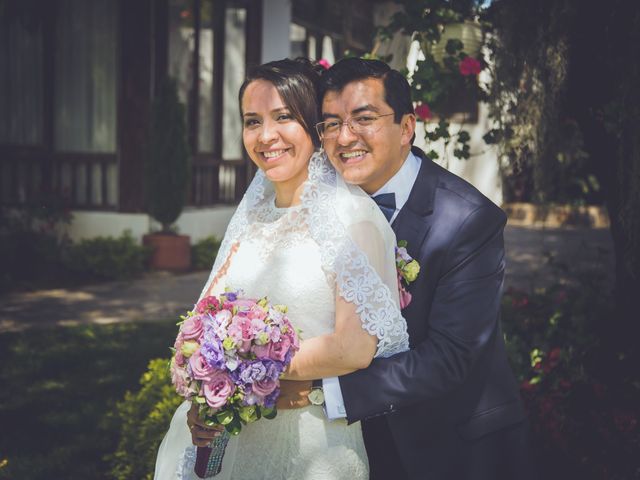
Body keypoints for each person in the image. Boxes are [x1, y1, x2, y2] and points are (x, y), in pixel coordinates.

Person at [154, 58, 409, 479]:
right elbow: (197, 326)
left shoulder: (355, 220)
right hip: (227, 440)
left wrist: (240, 376)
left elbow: (354, 347)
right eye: (252, 121)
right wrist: (203, 392)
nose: (265, 136)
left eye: (283, 117)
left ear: (313, 125)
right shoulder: (250, 219)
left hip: (309, 447)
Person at [280, 57, 533, 480]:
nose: (346, 137)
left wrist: (322, 394)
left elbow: (451, 356)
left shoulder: (468, 221)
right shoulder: (320, 207)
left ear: (407, 127)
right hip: (351, 448)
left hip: (453, 447)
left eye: (364, 119)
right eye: (330, 124)